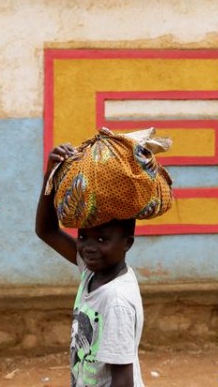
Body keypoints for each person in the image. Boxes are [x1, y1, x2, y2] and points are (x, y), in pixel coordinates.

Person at [35, 143, 146, 387]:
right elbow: (47, 231)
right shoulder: (93, 271)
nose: (88, 247)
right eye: (83, 236)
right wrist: (50, 176)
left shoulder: (115, 300)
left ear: (127, 243)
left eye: (102, 239)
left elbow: (123, 380)